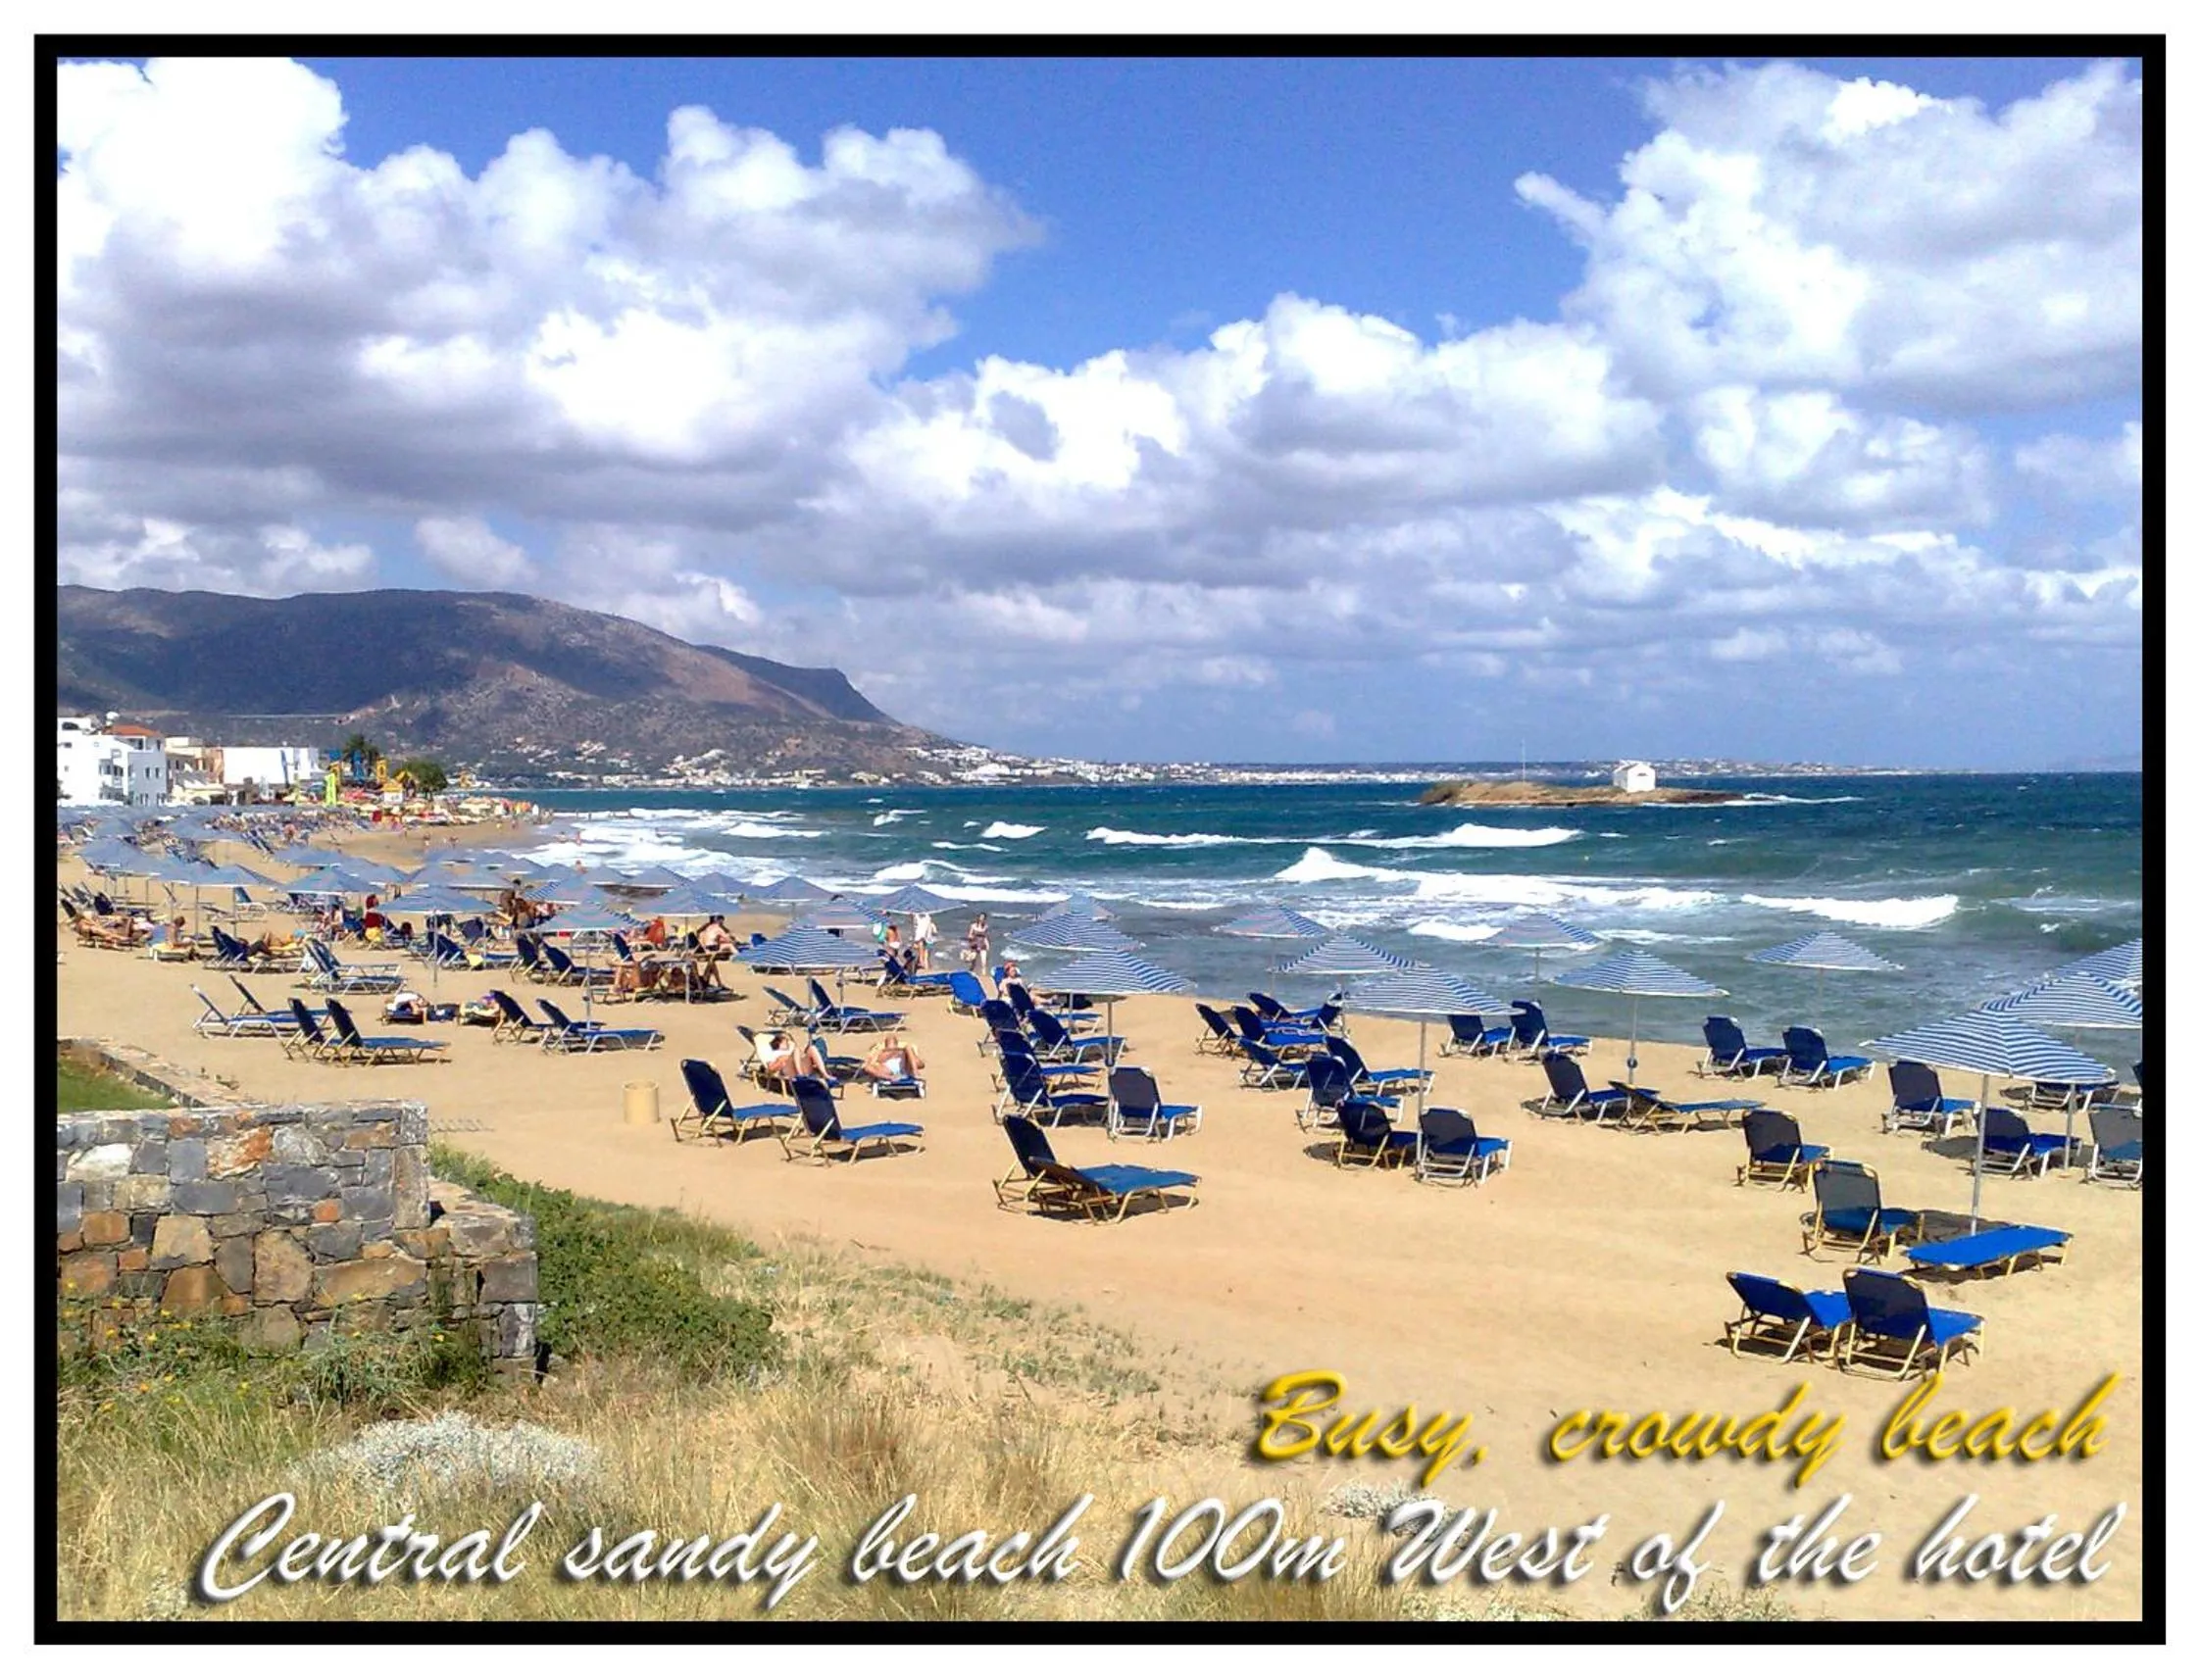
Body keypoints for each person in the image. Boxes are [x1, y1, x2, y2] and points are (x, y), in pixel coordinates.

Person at [859, 1033, 925, 1085]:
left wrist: (914, 1066)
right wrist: (883, 1052)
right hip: (887, 1070)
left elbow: (921, 1065)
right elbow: (868, 1065)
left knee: (908, 1048)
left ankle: (915, 1072)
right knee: (867, 1068)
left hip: (904, 1067)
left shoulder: (904, 1050)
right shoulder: (880, 1051)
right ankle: (890, 1078)